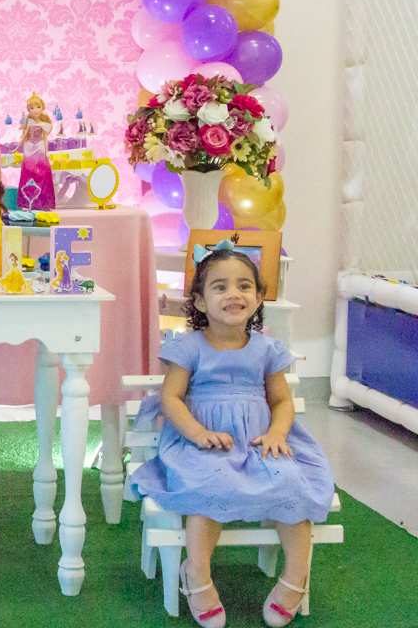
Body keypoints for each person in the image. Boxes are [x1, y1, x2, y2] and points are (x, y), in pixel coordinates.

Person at [130, 243, 334, 628]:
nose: (233, 294)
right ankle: (198, 576)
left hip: (258, 442)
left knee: (290, 481)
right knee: (212, 485)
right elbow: (171, 398)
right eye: (219, 287)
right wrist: (198, 432)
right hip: (206, 443)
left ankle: (295, 578)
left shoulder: (267, 349)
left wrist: (276, 432)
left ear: (259, 299)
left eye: (244, 286)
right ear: (200, 301)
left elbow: (282, 401)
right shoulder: (188, 347)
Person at [17, 93, 54, 210]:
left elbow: (45, 138)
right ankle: (27, 202)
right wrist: (17, 147)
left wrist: (47, 152)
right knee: (28, 174)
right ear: (28, 110)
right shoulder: (30, 122)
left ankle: (42, 202)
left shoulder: (44, 124)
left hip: (40, 148)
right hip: (29, 148)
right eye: (31, 108)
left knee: (42, 174)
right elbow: (24, 137)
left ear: (42, 107)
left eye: (38, 107)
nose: (35, 110)